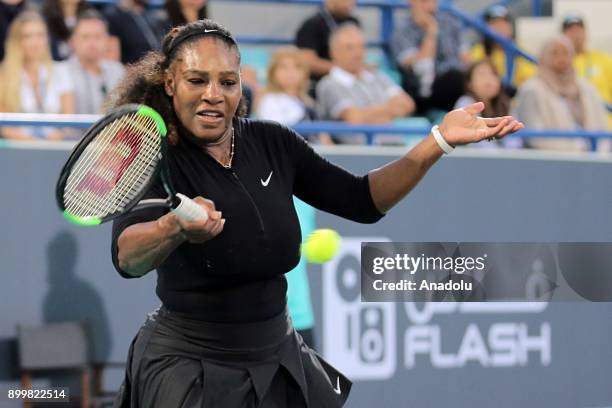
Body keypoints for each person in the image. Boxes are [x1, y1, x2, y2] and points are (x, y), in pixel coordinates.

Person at [108, 19, 522, 407]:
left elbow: (362, 200)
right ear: (170, 83)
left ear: (240, 87)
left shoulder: (274, 142)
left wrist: (438, 142)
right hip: (190, 365)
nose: (213, 94)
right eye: (197, 80)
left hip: (277, 355)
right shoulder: (151, 153)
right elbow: (128, 256)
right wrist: (173, 227)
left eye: (228, 82)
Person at [317, 24, 415, 144]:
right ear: (333, 52)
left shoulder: (378, 76)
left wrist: (366, 114)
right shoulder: (328, 84)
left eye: (361, 47)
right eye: (349, 48)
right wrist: (390, 110)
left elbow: (407, 105)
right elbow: (354, 118)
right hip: (358, 155)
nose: (358, 53)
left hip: (394, 148)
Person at [514, 36, 608, 151]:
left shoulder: (586, 88)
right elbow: (534, 137)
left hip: (591, 159)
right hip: (552, 161)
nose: (561, 58)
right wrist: (570, 154)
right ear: (544, 57)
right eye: (555, 53)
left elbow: (602, 126)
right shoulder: (532, 89)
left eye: (566, 53)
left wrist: (597, 153)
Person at [0, 11, 74, 140]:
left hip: (55, 147)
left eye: (40, 35)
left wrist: (51, 140)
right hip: (18, 149)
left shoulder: (62, 71)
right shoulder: (4, 76)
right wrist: (33, 143)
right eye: (28, 36)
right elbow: (5, 127)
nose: (35, 42)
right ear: (17, 41)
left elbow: (68, 120)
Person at [391, 0, 470, 113]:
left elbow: (467, 60)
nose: (430, 6)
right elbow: (421, 66)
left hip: (458, 83)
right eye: (424, 1)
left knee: (481, 77)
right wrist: (431, 30)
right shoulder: (402, 30)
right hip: (425, 89)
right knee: (456, 78)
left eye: (433, 1)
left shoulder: (450, 23)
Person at [256, 46, 331, 144]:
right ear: (273, 73)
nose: (290, 72)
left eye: (297, 67)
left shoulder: (309, 103)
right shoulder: (269, 101)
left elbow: (324, 139)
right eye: (284, 67)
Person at [62, 10, 124, 114]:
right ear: (72, 41)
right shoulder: (62, 72)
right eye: (85, 37)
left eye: (98, 36)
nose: (92, 43)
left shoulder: (118, 71)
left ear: (107, 40)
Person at [469, 4, 536, 91]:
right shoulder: (479, 51)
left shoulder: (520, 50)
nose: (500, 27)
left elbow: (529, 79)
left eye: (504, 22)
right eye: (494, 23)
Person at [561, 14, 612, 128]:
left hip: (604, 124)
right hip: (572, 125)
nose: (575, 35)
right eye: (571, 30)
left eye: (579, 30)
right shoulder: (558, 63)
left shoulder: (603, 59)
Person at [454, 60, 517, 149]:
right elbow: (475, 142)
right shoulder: (465, 103)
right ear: (469, 84)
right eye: (482, 74)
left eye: (493, 74)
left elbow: (515, 140)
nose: (488, 79)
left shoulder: (506, 104)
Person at [294, 0, 359, 82]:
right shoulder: (312, 25)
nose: (348, 3)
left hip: (350, 81)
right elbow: (307, 61)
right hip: (321, 82)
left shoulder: (354, 22)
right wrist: (341, 69)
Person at [103, 0, 166, 64]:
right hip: (134, 71)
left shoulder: (148, 14)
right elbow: (112, 61)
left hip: (156, 68)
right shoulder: (113, 16)